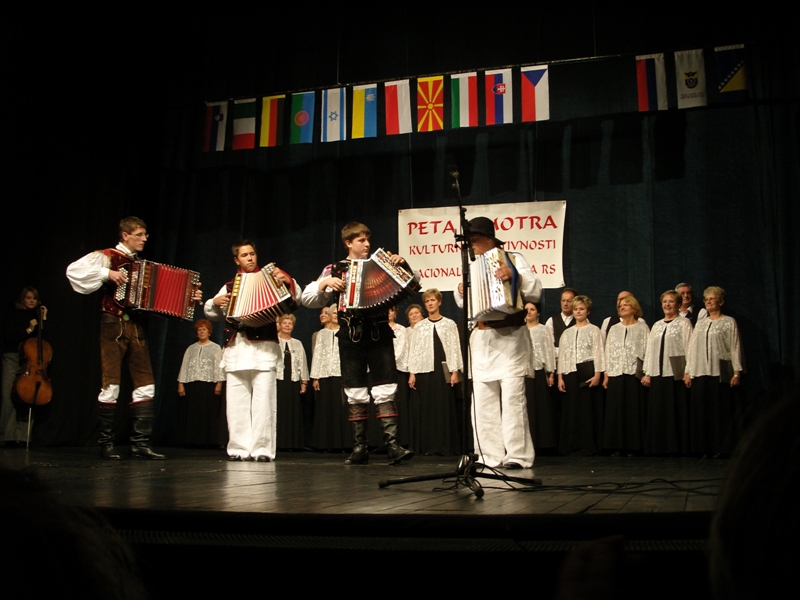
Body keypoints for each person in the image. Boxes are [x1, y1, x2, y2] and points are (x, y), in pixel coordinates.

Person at [67, 216, 199, 460]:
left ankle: (140, 444)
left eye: (145, 234)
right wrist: (107, 273)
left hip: (136, 327)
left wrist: (188, 297)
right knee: (111, 383)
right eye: (139, 235)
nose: (144, 239)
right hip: (113, 324)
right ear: (125, 235)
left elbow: (159, 300)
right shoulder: (109, 256)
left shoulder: (141, 265)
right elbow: (73, 271)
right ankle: (106, 444)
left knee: (145, 383)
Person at [301, 221, 415, 466]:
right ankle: (359, 448)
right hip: (351, 337)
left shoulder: (382, 264)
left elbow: (413, 283)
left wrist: (404, 265)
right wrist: (324, 284)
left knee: (385, 387)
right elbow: (307, 299)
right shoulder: (335, 269)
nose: (367, 244)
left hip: (379, 334)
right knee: (355, 390)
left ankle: (392, 446)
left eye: (367, 240)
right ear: (348, 243)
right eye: (361, 240)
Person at [454, 216, 542, 470]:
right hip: (483, 338)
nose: (471, 245)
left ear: (489, 239)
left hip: (510, 336)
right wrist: (460, 291)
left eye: (475, 240)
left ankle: (518, 455)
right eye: (469, 241)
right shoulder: (471, 265)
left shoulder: (512, 258)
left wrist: (514, 276)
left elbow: (535, 290)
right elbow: (465, 305)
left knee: (513, 399)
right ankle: (488, 455)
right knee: (483, 401)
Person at [204, 239, 301, 462]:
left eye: (252, 254)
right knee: (236, 401)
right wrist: (215, 302)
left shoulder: (270, 278)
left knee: (264, 402)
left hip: (264, 349)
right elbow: (212, 312)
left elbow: (297, 298)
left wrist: (288, 281)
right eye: (244, 255)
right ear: (236, 260)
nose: (249, 258)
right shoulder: (230, 286)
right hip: (237, 348)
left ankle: (262, 449)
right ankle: (238, 448)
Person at [684, 286, 743, 457]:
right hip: (700, 372)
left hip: (719, 372)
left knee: (718, 411)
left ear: (721, 302)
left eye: (712, 299)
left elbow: (735, 347)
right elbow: (692, 349)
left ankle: (720, 447)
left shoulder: (728, 322)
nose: (708, 302)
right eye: (706, 299)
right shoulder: (700, 324)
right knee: (701, 412)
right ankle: (703, 448)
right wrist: (688, 371)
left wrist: (737, 372)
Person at [407, 289, 462, 456]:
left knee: (444, 407)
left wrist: (455, 371)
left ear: (439, 302)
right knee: (427, 408)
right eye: (427, 301)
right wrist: (412, 372)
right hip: (424, 370)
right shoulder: (420, 326)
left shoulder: (449, 324)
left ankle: (444, 445)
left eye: (432, 300)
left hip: (443, 370)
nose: (430, 303)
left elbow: (455, 348)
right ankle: (428, 446)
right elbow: (414, 350)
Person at [641, 290, 692, 455]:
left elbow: (689, 348)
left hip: (675, 373)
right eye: (665, 302)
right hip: (657, 372)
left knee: (675, 409)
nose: (667, 305)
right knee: (658, 410)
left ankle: (675, 447)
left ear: (678, 304)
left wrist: (688, 371)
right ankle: (658, 447)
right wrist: (647, 372)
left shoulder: (684, 323)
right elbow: (650, 350)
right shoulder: (657, 325)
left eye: (671, 301)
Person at [602, 295, 649, 456]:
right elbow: (608, 352)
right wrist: (607, 374)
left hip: (634, 374)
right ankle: (616, 445)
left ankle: (633, 446)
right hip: (616, 373)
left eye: (626, 305)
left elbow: (647, 350)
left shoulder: (642, 327)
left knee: (632, 410)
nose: (622, 307)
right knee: (616, 410)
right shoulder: (614, 329)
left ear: (634, 308)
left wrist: (646, 372)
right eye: (620, 305)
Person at [557, 295, 605, 456]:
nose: (578, 312)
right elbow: (562, 355)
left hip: (587, 371)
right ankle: (572, 444)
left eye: (581, 309)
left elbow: (598, 352)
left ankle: (588, 444)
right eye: (576, 309)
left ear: (588, 311)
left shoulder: (594, 330)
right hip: (570, 372)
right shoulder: (567, 333)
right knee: (572, 409)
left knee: (587, 410)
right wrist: (560, 377)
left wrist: (598, 374)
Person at [2, 287, 47, 446]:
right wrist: (29, 329)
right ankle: (7, 436)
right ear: (22, 299)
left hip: (30, 363)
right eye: (28, 298)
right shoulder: (13, 314)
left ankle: (23, 437)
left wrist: (43, 320)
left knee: (28, 396)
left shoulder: (37, 315)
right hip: (13, 356)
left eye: (34, 298)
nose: (32, 301)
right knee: (8, 395)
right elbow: (10, 337)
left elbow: (42, 343)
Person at [177, 319, 226, 448]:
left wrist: (219, 382)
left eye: (204, 329)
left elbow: (219, 366)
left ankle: (209, 441)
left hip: (209, 384)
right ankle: (192, 440)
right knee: (193, 413)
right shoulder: (191, 348)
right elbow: (184, 366)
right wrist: (181, 383)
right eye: (199, 330)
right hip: (193, 384)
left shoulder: (215, 348)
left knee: (208, 413)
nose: (201, 332)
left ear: (209, 332)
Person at [309, 304, 348, 450]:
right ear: (330, 315)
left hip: (341, 373)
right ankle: (325, 443)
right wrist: (315, 377)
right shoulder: (322, 334)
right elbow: (317, 354)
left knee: (341, 407)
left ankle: (343, 443)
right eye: (334, 314)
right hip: (324, 373)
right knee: (325, 408)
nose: (336, 316)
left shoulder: (346, 331)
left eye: (339, 314)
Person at [524, 301, 558, 453]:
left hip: (539, 372)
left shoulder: (544, 329)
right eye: (526, 309)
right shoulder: (519, 329)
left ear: (538, 312)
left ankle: (543, 443)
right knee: (526, 408)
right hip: (523, 372)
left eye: (532, 309)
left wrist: (550, 372)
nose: (529, 312)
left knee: (541, 407)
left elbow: (549, 350)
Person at [275, 313, 309, 450]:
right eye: (285, 323)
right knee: (278, 411)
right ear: (279, 325)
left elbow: (303, 363)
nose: (287, 325)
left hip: (293, 382)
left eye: (290, 323)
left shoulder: (297, 343)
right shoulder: (274, 341)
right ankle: (277, 443)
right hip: (277, 381)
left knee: (292, 412)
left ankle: (291, 443)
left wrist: (304, 383)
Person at [388, 305, 411, 447]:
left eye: (391, 310)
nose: (388, 313)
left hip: (396, 370)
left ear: (396, 312)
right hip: (379, 371)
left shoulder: (401, 329)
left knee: (397, 404)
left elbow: (401, 349)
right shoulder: (376, 329)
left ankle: (398, 441)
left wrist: (387, 362)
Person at [545, 287, 577, 360]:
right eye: (563, 300)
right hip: (557, 360)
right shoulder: (551, 321)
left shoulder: (581, 321)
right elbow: (548, 344)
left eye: (569, 301)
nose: (565, 304)